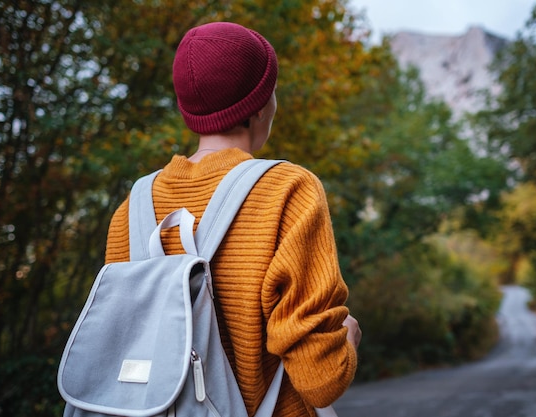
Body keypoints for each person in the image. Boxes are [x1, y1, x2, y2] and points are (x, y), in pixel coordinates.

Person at [105, 21, 361, 416]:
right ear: (259, 105)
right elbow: (320, 379)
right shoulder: (289, 191)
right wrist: (347, 340)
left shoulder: (134, 208)